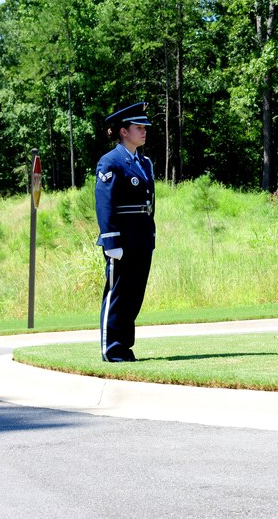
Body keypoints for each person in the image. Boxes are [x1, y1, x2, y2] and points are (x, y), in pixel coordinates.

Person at [94, 102, 156, 363]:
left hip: (141, 237)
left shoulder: (144, 162)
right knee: (118, 294)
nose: (144, 131)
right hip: (122, 239)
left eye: (144, 127)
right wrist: (111, 240)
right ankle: (112, 348)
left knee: (134, 296)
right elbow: (104, 202)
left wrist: (149, 234)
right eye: (138, 127)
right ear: (123, 131)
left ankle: (125, 347)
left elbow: (149, 201)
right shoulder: (110, 162)